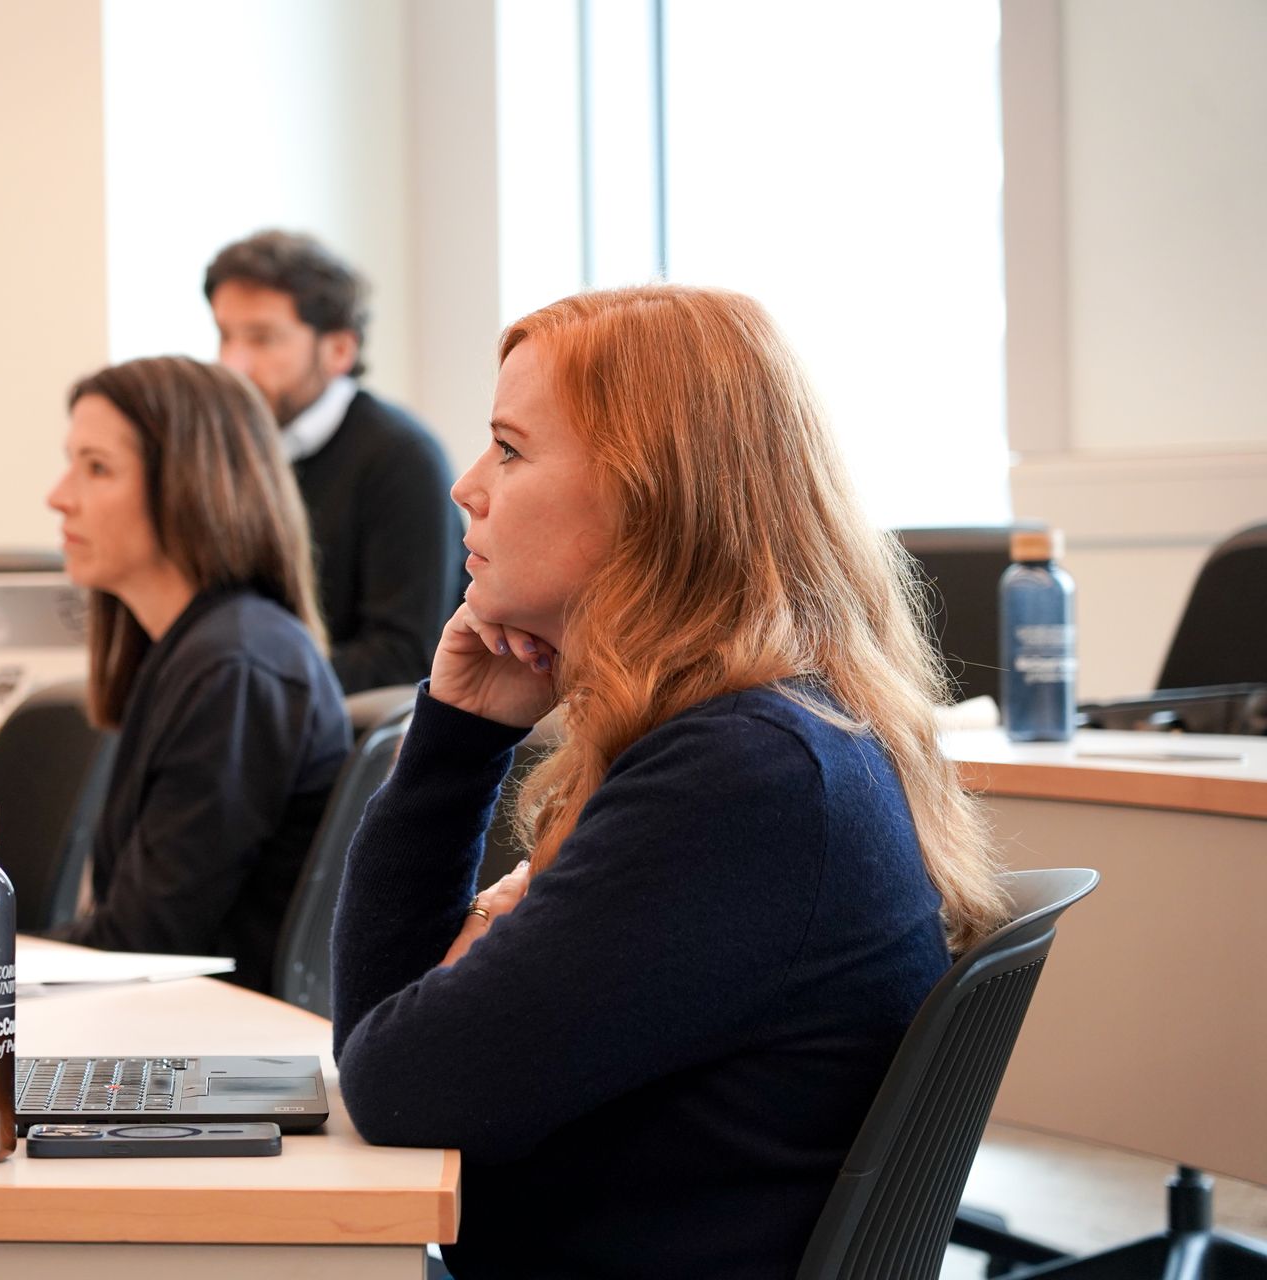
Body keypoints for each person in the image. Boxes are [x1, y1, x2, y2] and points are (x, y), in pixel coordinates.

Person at [330, 285, 1008, 1277]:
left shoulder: (744, 780)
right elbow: (385, 1058)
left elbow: (393, 1086)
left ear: (648, 492)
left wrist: (459, 798)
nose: (466, 484)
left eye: (511, 449)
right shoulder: (764, 737)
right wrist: (462, 733)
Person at [44, 355, 349, 994]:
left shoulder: (234, 669)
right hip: (179, 1022)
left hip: (210, 1042)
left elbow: (142, 945)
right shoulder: (202, 651)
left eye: (96, 468)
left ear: (191, 485)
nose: (59, 496)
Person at [205, 230, 461, 693]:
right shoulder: (225, 453)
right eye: (225, 336)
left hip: (351, 743)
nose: (232, 364)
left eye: (262, 339)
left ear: (340, 350)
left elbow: (403, 659)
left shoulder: (403, 458)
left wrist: (242, 686)